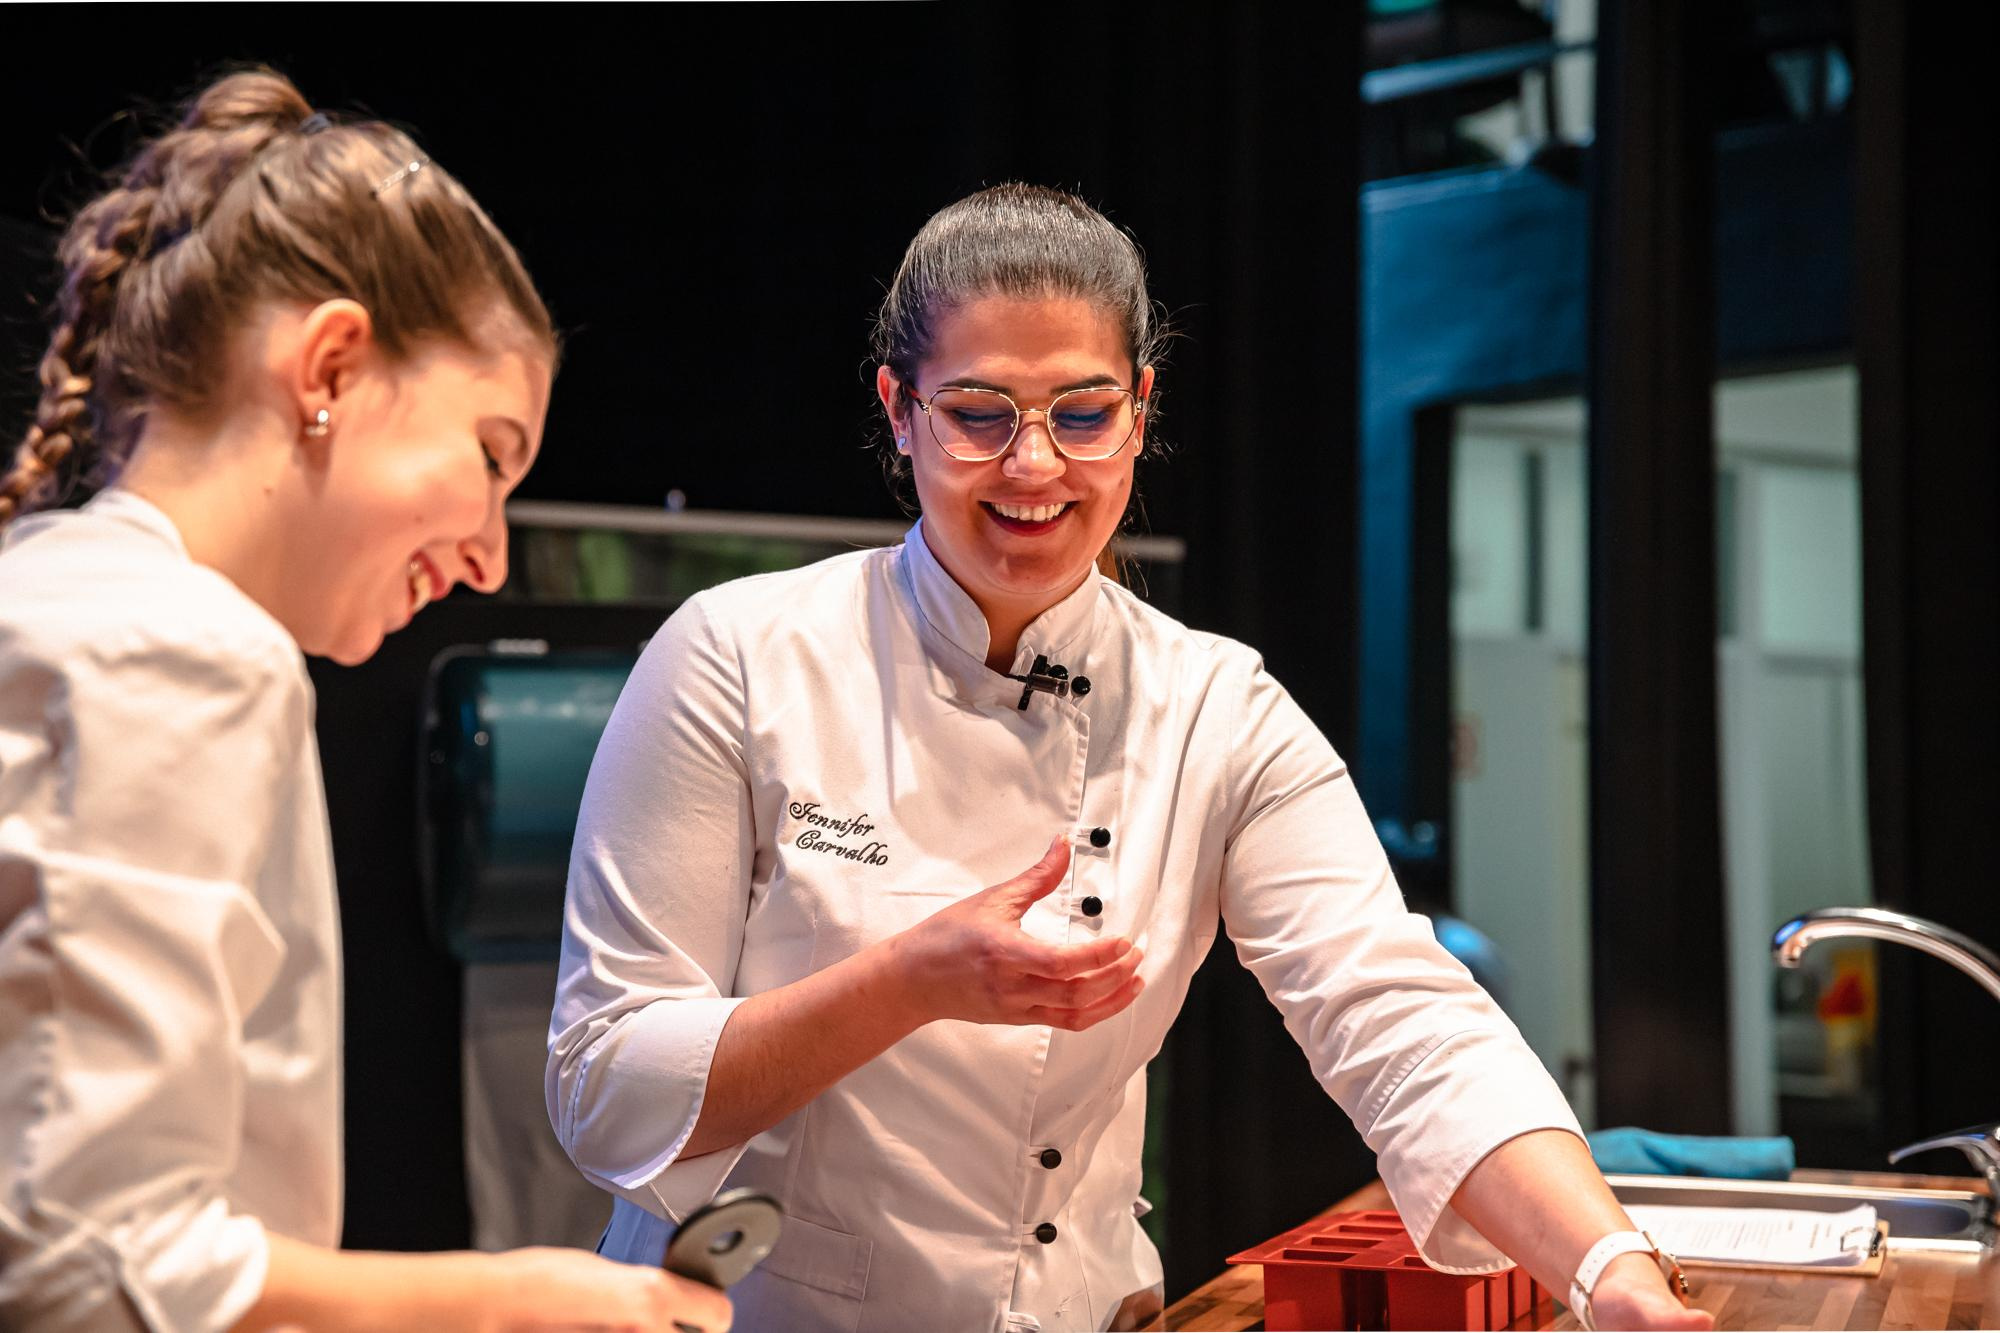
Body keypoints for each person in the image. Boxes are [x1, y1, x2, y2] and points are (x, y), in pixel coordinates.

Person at [547, 185, 1712, 1333]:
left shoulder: (1216, 706)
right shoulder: (738, 653)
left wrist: (1605, 1268)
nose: (1033, 464)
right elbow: (603, 1084)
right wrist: (906, 981)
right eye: (978, 414)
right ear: (899, 411)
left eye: (1082, 413)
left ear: (1140, 412)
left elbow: (1396, 1012)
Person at [0, 70, 729, 1333]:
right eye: (491, 454)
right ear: (330, 364)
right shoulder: (182, 646)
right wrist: (521, 1298)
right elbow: (83, 1269)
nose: (489, 559)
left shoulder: (53, 583)